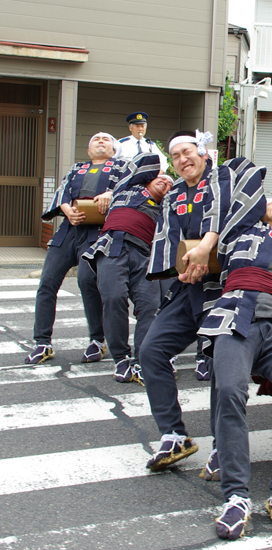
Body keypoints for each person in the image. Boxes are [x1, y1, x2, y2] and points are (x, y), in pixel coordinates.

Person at [198, 160, 272, 539]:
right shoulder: (237, 233)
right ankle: (235, 497)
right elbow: (236, 190)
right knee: (229, 391)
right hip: (236, 317)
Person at [139, 130, 232, 471]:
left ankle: (225, 444)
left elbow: (228, 214)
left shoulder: (223, 177)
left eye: (187, 151)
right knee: (151, 351)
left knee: (223, 363)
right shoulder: (174, 193)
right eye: (175, 155)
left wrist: (206, 249)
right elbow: (169, 237)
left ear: (204, 153)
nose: (182, 159)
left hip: (223, 286)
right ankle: (174, 434)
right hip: (186, 285)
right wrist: (177, 269)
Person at [24, 133, 124, 365]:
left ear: (113, 149)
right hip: (68, 231)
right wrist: (66, 209)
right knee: (47, 283)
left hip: (97, 232)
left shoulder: (122, 168)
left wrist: (111, 193)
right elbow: (62, 192)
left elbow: (130, 188)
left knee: (87, 282)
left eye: (106, 139)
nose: (100, 141)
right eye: (95, 139)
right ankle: (42, 342)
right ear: (88, 151)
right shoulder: (76, 168)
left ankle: (98, 341)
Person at [83, 153, 173, 385]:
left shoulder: (167, 208)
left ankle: (141, 360)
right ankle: (121, 358)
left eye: (170, 183)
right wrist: (162, 166)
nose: (166, 182)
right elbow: (145, 161)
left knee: (150, 307)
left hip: (145, 256)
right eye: (162, 178)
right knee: (113, 299)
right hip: (113, 248)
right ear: (148, 178)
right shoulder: (126, 189)